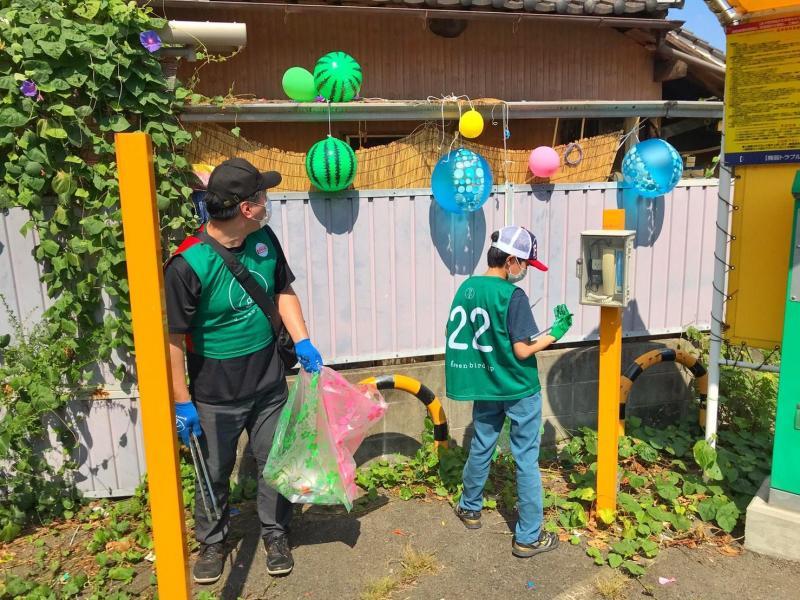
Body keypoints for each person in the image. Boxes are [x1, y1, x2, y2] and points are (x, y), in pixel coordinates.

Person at [164, 158, 323, 583]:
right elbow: (173, 340)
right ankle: (213, 542)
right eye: (262, 195)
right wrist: (182, 402)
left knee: (274, 460)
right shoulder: (188, 265)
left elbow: (282, 288)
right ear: (246, 208)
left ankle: (275, 533)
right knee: (214, 470)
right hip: (214, 392)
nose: (268, 201)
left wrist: (302, 339)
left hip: (269, 381)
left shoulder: (264, 239)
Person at [445, 225, 573, 558]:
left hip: (486, 386)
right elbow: (521, 350)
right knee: (526, 459)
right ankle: (528, 537)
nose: (525, 271)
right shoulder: (512, 296)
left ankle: (470, 507)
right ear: (511, 260)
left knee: (482, 444)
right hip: (518, 387)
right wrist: (555, 333)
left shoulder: (467, 288)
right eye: (526, 264)